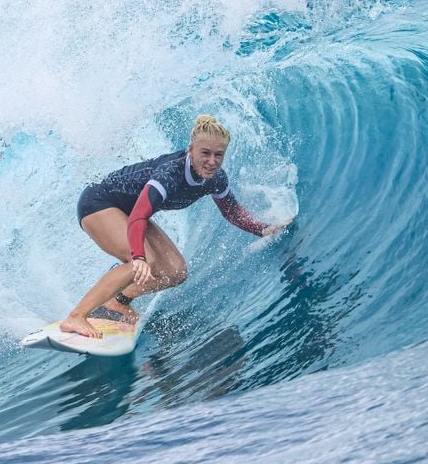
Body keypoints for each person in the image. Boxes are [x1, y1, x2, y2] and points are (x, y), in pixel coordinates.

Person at [61, 114, 293, 338]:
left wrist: (263, 229)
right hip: (99, 203)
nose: (211, 161)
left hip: (128, 213)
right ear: (191, 149)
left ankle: (118, 301)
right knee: (141, 262)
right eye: (205, 153)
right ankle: (76, 316)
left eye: (218, 155)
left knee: (175, 271)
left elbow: (231, 211)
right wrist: (139, 256)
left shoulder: (216, 179)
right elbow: (140, 215)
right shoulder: (170, 173)